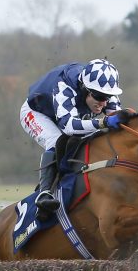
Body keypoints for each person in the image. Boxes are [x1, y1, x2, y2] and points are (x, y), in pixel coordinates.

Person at [20, 58, 129, 218]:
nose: (103, 103)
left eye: (107, 97)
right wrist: (103, 122)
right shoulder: (64, 86)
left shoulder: (103, 90)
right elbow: (69, 127)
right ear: (85, 88)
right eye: (99, 97)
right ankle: (44, 194)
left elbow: (116, 117)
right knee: (55, 141)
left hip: (69, 114)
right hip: (38, 112)